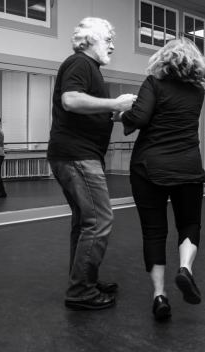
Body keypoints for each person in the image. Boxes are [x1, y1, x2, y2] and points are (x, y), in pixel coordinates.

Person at [47, 17, 136, 311]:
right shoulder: (80, 63)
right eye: (107, 39)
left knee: (85, 222)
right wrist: (114, 104)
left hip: (75, 154)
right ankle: (81, 291)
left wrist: (118, 115)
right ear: (90, 40)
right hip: (77, 156)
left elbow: (85, 109)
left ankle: (84, 281)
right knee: (99, 220)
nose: (112, 45)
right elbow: (71, 100)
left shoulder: (91, 69)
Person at [116, 38, 205, 321]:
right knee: (189, 222)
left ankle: (159, 296)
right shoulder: (198, 91)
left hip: (149, 167)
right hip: (188, 167)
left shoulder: (153, 82)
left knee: (154, 232)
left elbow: (141, 117)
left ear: (164, 59)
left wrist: (121, 115)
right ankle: (185, 269)